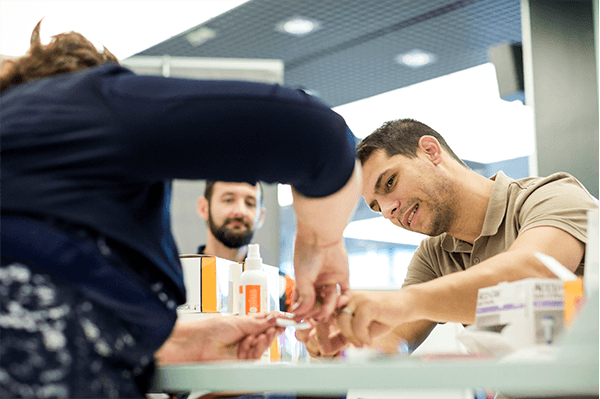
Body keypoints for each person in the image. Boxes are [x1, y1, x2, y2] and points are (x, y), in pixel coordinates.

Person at [0, 21, 361, 398]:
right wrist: (323, 243)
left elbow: (64, 291)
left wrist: (181, 343)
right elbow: (319, 136)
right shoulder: (86, 100)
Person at [298, 118, 598, 358]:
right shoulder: (434, 255)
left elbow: (534, 272)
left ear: (430, 151)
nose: (389, 210)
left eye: (390, 182)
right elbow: (391, 336)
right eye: (377, 207)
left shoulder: (551, 196)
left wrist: (402, 302)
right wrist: (340, 342)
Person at [195, 180, 295, 312]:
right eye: (229, 200)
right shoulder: (179, 280)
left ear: (261, 216)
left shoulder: (283, 287)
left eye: (250, 203)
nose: (240, 211)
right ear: (204, 208)